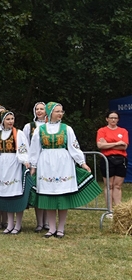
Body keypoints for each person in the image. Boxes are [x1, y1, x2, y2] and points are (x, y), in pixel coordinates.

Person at [29, 102, 100, 238]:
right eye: (57, 111)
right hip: (46, 163)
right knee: (49, 196)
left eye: (61, 111)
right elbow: (34, 149)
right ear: (50, 113)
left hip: (63, 163)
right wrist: (33, 166)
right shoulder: (40, 130)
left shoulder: (67, 129)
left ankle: (61, 228)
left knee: (62, 195)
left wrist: (82, 163)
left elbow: (74, 147)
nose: (60, 114)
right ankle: (51, 228)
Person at [0, 111, 31, 234]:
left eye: (12, 118)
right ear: (2, 121)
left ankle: (18, 224)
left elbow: (23, 148)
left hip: (14, 163)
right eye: (8, 119)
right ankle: (10, 224)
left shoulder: (18, 133)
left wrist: (24, 160)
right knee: (7, 195)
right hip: (3, 165)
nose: (10, 121)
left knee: (16, 194)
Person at [23, 102, 48, 231]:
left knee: (48, 191)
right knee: (38, 191)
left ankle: (48, 222)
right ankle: (39, 222)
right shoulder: (29, 127)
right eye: (37, 109)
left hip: (49, 162)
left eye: (41, 109)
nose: (39, 111)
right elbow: (25, 144)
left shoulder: (51, 126)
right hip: (36, 162)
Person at [96, 111, 128, 208]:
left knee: (117, 185)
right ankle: (109, 209)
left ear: (118, 119)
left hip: (121, 159)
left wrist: (108, 144)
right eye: (111, 118)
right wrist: (117, 143)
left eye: (115, 118)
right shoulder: (102, 131)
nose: (113, 120)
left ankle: (118, 209)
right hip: (107, 159)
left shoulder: (123, 131)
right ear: (107, 119)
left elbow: (124, 147)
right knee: (109, 185)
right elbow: (100, 145)